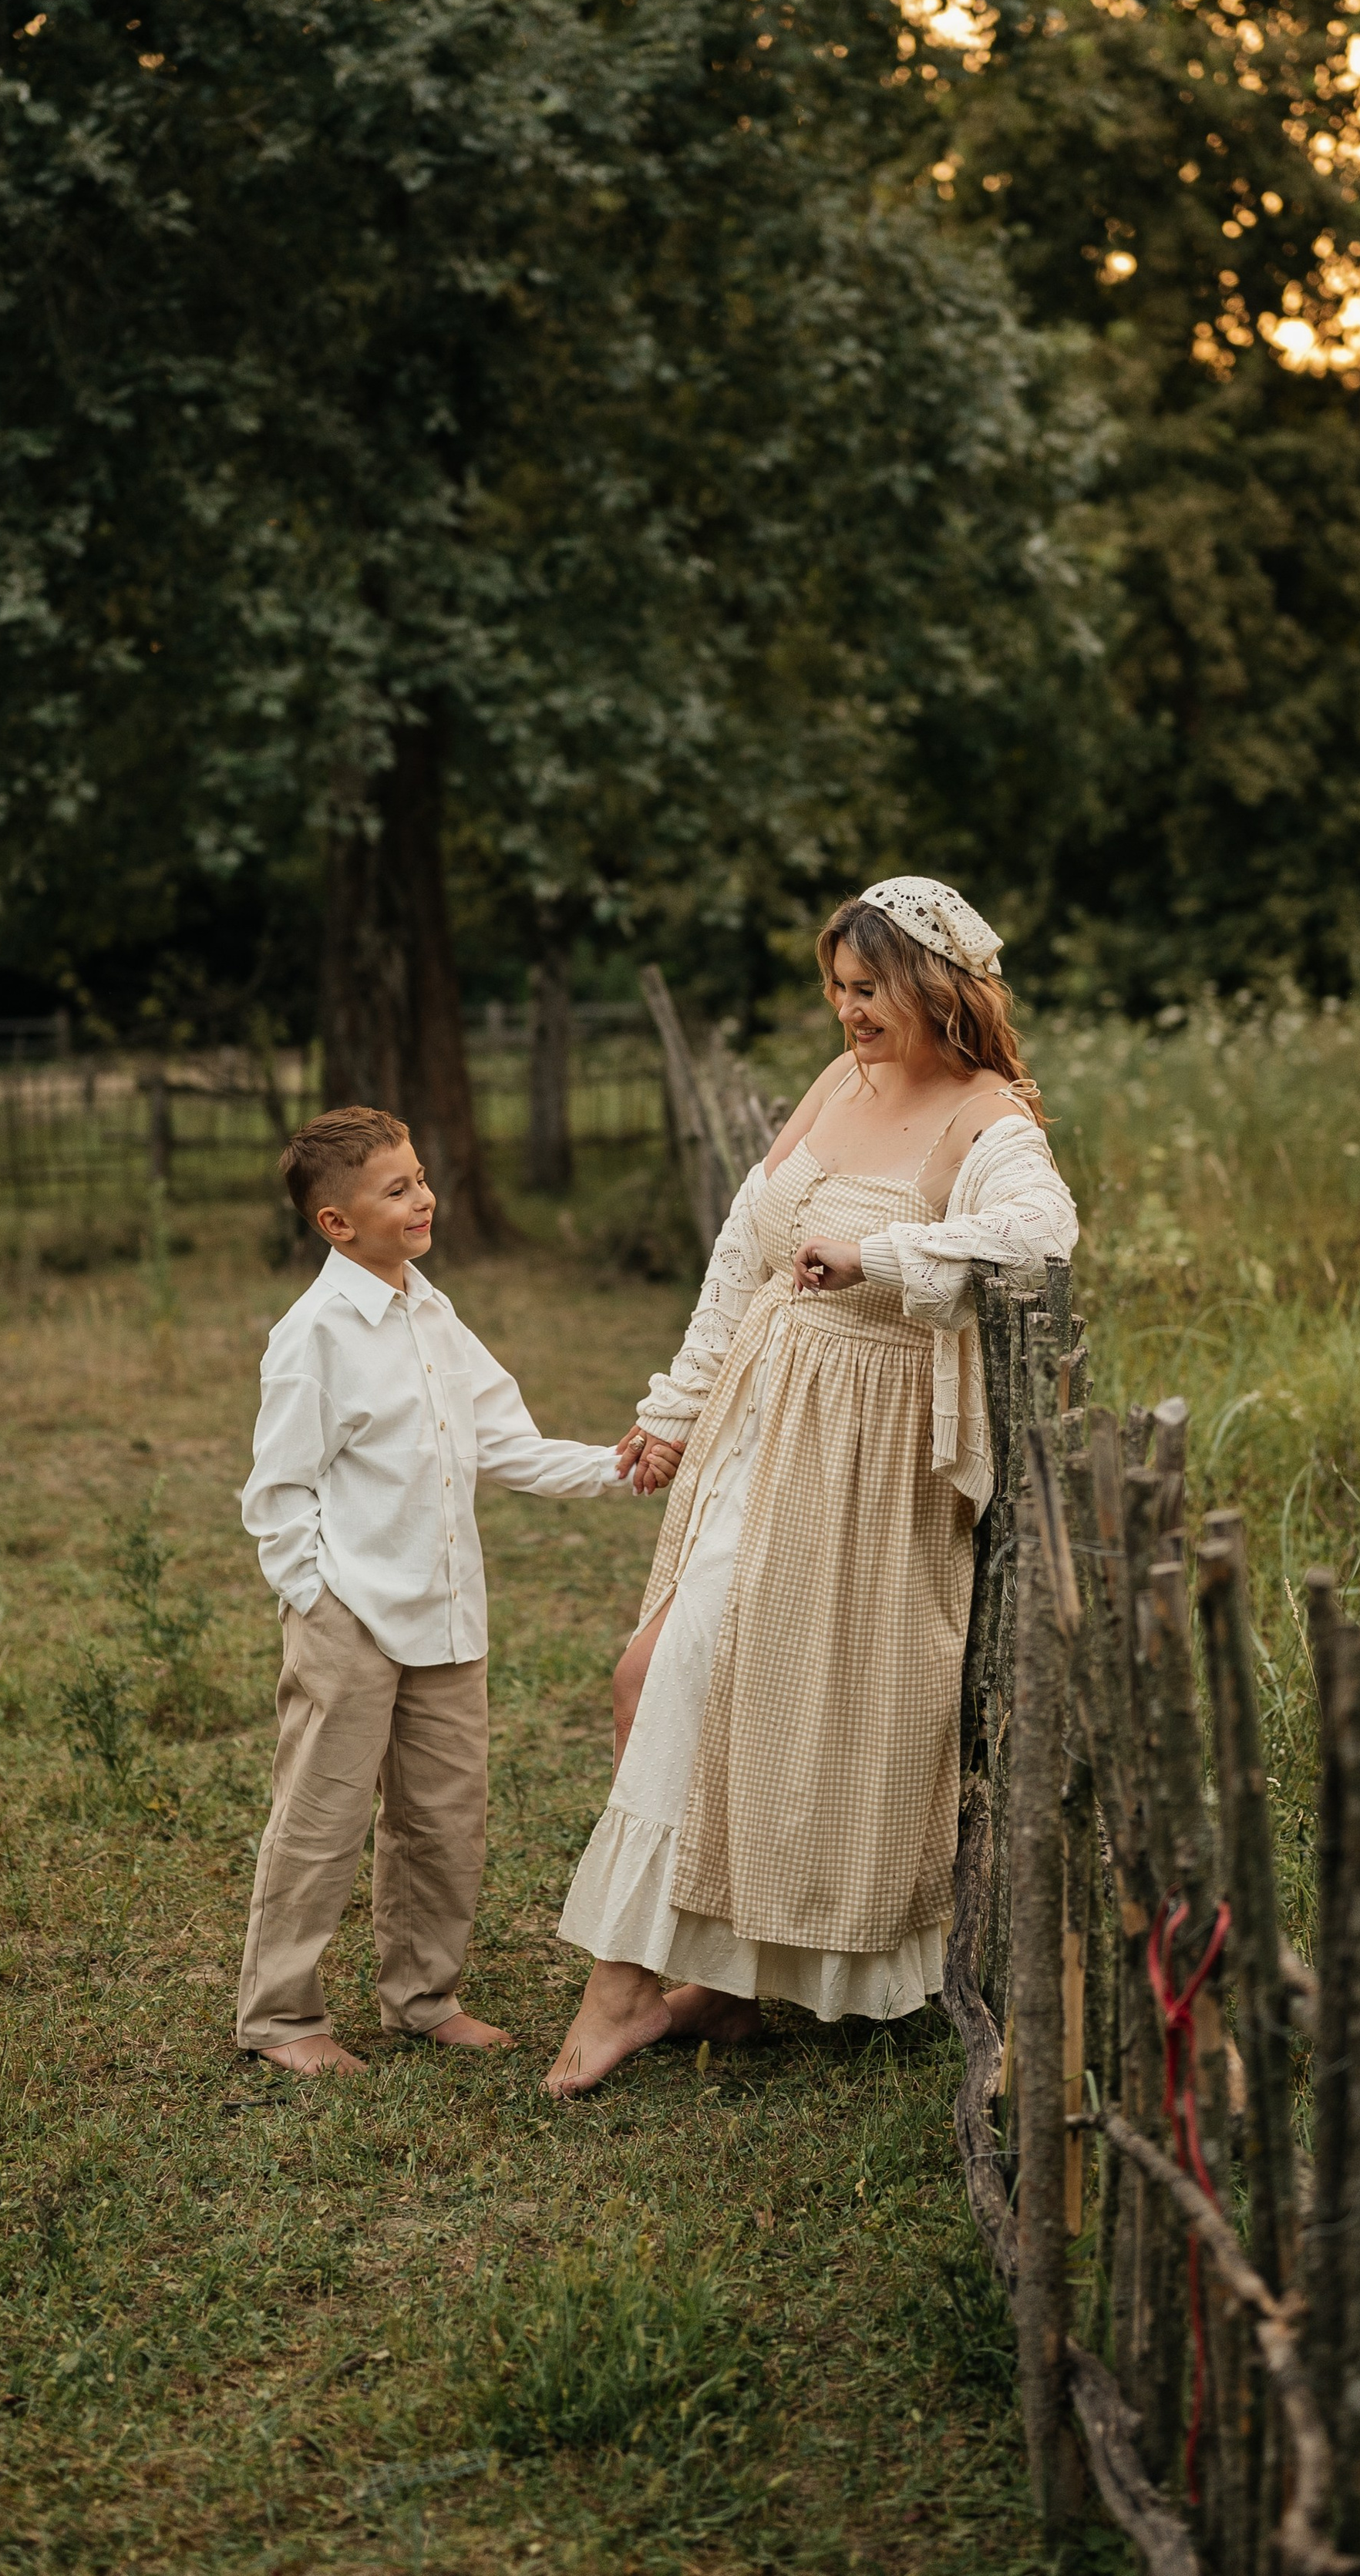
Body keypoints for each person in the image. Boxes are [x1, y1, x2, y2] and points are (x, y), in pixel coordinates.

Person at [546, 877, 1079, 2096]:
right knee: (657, 1673)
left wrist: (882, 1253)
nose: (848, 1012)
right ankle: (721, 1984)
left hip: (862, 1453)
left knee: (694, 1679)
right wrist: (677, 1407)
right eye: (837, 987)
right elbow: (745, 1249)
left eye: (868, 988)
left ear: (937, 987)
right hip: (761, 1417)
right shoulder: (841, 1083)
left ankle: (628, 1986)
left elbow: (1045, 1234)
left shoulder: (989, 1119)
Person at [237, 1105, 635, 2075]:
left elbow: (502, 1439)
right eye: (398, 1189)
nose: (425, 1199)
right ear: (337, 1223)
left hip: (449, 1611)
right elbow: (277, 1491)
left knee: (444, 1818)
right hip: (352, 1617)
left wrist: (620, 1466)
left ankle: (423, 1995)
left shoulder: (433, 1311)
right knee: (323, 1820)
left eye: (420, 1179)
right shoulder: (316, 1335)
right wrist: (318, 1601)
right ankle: (281, 2016)